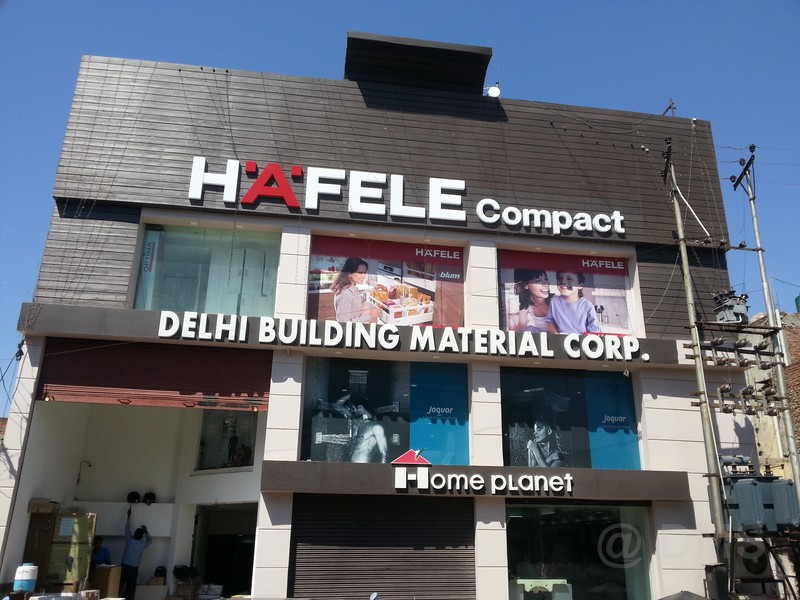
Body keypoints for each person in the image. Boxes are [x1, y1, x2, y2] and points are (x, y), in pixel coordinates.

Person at [330, 257, 381, 323]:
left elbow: (357, 301)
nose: (364, 276)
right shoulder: (345, 295)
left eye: (364, 273)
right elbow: (344, 324)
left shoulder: (351, 288)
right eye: (360, 273)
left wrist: (373, 290)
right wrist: (369, 316)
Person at [549, 270, 601, 334]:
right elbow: (549, 321)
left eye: (569, 279)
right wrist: (556, 335)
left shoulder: (587, 306)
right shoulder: (554, 301)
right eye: (560, 278)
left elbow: (594, 331)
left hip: (581, 339)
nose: (563, 282)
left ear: (580, 285)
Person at [120, 508, 152, 600]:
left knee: (119, 585)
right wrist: (146, 531)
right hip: (133, 570)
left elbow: (127, 528)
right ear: (142, 536)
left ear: (134, 534)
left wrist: (128, 516)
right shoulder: (142, 544)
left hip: (124, 567)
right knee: (130, 589)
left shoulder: (129, 540)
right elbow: (150, 540)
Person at [512, 268, 556, 334]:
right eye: (538, 281)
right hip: (543, 338)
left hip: (559, 337)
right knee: (529, 329)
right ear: (526, 285)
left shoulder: (556, 301)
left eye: (546, 279)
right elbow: (521, 332)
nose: (546, 284)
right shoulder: (526, 307)